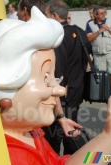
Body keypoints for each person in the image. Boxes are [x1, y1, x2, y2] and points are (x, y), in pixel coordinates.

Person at [0, 6, 111, 165]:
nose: (60, 89)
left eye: (53, 77)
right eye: (45, 77)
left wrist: (110, 135)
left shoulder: (33, 134)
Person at [42, 0, 89, 155]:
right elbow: (89, 60)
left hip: (62, 94)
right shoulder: (81, 32)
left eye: (46, 15)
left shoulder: (58, 36)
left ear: (54, 16)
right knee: (71, 131)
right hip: (77, 91)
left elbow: (59, 70)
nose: (44, 18)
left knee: (54, 135)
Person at [85, 6, 111, 95]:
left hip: (110, 52)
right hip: (98, 54)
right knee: (100, 73)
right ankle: (101, 92)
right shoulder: (90, 24)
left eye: (104, 12)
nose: (103, 14)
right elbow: (89, 38)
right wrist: (99, 31)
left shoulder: (110, 22)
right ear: (96, 15)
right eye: (101, 13)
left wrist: (109, 29)